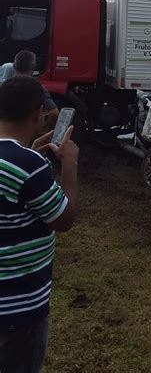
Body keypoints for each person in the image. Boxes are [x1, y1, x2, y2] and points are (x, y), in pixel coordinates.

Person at [0, 76, 79, 373]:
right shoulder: (28, 166)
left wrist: (32, 151)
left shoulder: (22, 160)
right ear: (37, 114)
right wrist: (69, 165)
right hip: (18, 310)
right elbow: (64, 219)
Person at [13, 51, 59, 131]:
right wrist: (43, 132)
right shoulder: (37, 88)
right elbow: (54, 113)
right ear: (34, 66)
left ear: (14, 66)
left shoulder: (4, 86)